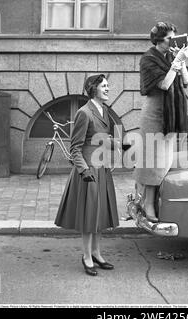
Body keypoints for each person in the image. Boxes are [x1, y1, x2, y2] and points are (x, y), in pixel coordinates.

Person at [55, 74, 119, 276]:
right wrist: (84, 171)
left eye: (108, 85)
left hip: (102, 168)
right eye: (104, 86)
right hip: (89, 171)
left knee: (99, 215)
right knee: (89, 215)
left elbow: (100, 137)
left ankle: (97, 254)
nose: (108, 89)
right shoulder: (84, 113)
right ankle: (86, 256)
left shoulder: (104, 110)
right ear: (93, 89)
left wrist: (117, 145)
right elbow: (75, 148)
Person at [133, 22, 188, 222]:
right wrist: (176, 63)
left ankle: (145, 201)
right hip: (155, 114)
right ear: (159, 40)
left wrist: (181, 62)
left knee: (163, 162)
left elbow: (186, 81)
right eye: (170, 39)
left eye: (175, 38)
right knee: (152, 163)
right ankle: (147, 205)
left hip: (170, 114)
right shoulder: (148, 58)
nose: (173, 42)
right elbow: (165, 84)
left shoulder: (170, 56)